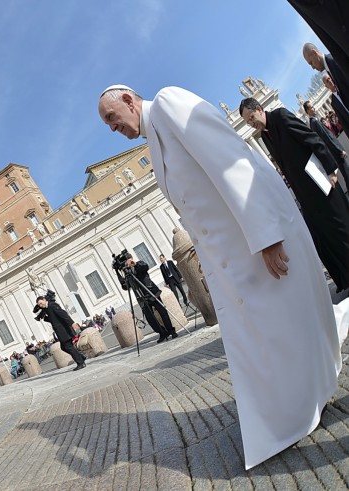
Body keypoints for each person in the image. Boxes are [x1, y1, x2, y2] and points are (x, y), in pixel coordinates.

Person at [98, 84, 342, 470]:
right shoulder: (153, 140)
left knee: (286, 321)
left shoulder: (169, 103)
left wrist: (265, 232)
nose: (112, 128)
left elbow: (230, 159)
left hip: (253, 238)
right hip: (231, 256)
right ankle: (295, 403)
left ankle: (303, 401)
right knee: (270, 331)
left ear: (129, 100)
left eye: (112, 117)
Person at [239, 97, 349, 292]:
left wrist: (331, 169)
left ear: (259, 108)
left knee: (342, 228)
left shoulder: (280, 116)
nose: (251, 123)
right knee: (325, 237)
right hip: (305, 195)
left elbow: (312, 139)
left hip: (321, 183)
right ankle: (344, 277)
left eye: (251, 117)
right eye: (248, 122)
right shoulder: (265, 136)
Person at [121, 254, 177, 343]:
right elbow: (125, 287)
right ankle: (162, 332)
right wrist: (120, 274)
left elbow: (145, 267)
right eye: (124, 262)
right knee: (150, 319)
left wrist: (134, 264)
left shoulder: (139, 264)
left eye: (126, 260)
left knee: (163, 313)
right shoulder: (127, 272)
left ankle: (171, 330)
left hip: (152, 292)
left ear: (130, 259)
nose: (125, 263)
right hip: (142, 297)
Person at [290, 2, 349, 82]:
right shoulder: (331, 68)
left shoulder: (335, 63)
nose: (313, 67)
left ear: (314, 53)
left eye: (311, 63)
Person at [303, 100, 349, 193]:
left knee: (346, 174)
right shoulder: (315, 122)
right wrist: (339, 150)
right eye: (311, 107)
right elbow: (327, 138)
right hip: (336, 152)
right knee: (347, 173)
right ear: (308, 111)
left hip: (334, 151)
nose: (314, 107)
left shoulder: (314, 122)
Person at [34, 296, 86, 370]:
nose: (41, 305)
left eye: (41, 303)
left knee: (68, 347)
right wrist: (45, 317)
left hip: (64, 330)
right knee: (64, 347)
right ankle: (80, 357)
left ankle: (80, 362)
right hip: (60, 331)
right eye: (39, 305)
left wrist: (72, 323)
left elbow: (63, 314)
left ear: (44, 300)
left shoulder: (52, 305)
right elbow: (53, 319)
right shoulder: (47, 308)